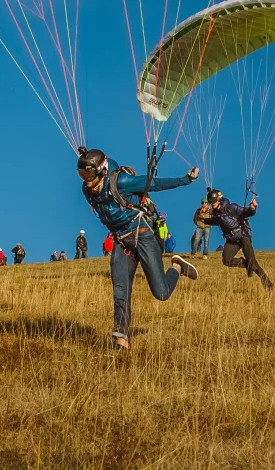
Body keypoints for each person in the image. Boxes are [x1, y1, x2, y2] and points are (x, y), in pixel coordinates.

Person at [77, 145, 199, 350]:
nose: (86, 179)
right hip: (120, 240)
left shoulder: (121, 181)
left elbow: (155, 184)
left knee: (161, 293)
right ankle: (121, 339)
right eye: (82, 174)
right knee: (120, 291)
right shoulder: (87, 190)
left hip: (142, 235)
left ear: (102, 171)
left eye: (89, 173)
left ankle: (177, 267)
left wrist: (185, 180)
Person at [205, 189, 275, 290]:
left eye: (212, 201)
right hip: (232, 240)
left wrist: (252, 208)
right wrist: (204, 220)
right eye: (210, 202)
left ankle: (269, 285)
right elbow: (217, 221)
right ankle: (247, 264)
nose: (211, 204)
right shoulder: (217, 213)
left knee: (253, 263)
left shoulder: (231, 208)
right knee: (227, 260)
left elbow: (245, 212)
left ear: (219, 200)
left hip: (243, 236)